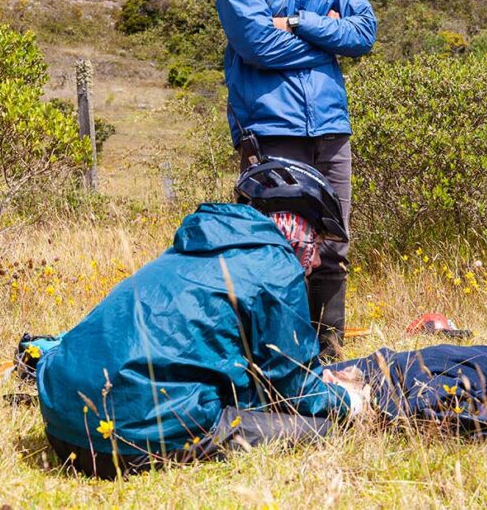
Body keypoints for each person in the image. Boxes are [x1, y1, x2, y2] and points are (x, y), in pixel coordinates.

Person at [36, 157, 367, 479]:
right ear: (297, 228)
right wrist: (346, 401)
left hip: (63, 427)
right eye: (318, 242)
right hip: (125, 443)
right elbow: (294, 392)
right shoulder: (276, 264)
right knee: (324, 428)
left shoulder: (196, 246)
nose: (319, 260)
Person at [215, 0, 377, 356]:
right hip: (270, 127)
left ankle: (325, 358)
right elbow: (255, 45)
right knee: (276, 247)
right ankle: (272, 358)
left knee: (333, 247)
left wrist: (301, 22)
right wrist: (330, 35)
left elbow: (365, 31)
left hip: (330, 126)